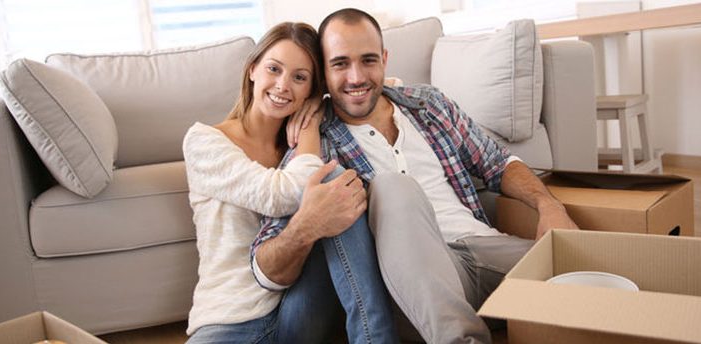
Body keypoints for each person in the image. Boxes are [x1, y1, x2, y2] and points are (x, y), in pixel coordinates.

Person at [252, 8, 580, 344]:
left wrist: (549, 205)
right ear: (323, 71)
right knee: (394, 187)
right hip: (407, 292)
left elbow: (498, 162)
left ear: (384, 58)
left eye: (368, 60)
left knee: (598, 277)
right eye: (340, 64)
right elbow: (265, 265)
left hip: (482, 250)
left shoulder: (429, 104)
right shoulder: (313, 145)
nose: (355, 77)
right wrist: (305, 226)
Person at [183, 21, 397, 344]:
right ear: (253, 69)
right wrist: (311, 121)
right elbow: (282, 194)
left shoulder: (295, 148)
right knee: (326, 183)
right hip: (230, 319)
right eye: (274, 69)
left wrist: (319, 101)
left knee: (335, 185)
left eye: (300, 78)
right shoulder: (204, 141)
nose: (283, 86)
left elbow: (390, 85)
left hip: (300, 308)